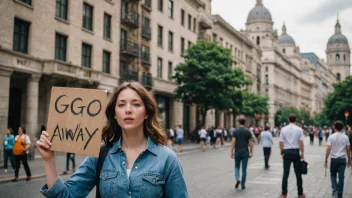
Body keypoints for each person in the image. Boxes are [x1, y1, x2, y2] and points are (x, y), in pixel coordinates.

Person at [37, 82, 188, 197]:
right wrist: (48, 160)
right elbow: (65, 196)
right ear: (115, 114)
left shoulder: (168, 159)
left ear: (147, 113)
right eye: (121, 105)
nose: (128, 110)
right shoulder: (99, 156)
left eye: (136, 104)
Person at [279, 113, 305, 198]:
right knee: (298, 174)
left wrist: (282, 152)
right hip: (295, 152)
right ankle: (300, 193)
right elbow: (301, 142)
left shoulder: (283, 129)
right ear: (295, 120)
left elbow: (281, 142)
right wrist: (302, 153)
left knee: (285, 174)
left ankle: (284, 194)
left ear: (288, 119)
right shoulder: (299, 129)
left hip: (287, 152)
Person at [324, 121, 351, 198]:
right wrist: (349, 159)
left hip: (334, 159)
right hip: (342, 159)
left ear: (334, 127)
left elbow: (328, 149)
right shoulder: (346, 137)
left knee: (333, 175)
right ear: (342, 128)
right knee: (341, 177)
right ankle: (339, 194)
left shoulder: (331, 137)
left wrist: (326, 159)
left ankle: (335, 188)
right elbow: (348, 149)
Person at [230, 115, 253, 190]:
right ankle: (243, 184)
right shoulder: (248, 131)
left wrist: (231, 151)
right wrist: (251, 152)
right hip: (245, 152)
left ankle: (237, 178)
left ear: (239, 122)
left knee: (236, 167)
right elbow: (250, 143)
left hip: (237, 152)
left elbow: (233, 142)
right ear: (245, 122)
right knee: (244, 169)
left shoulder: (235, 131)